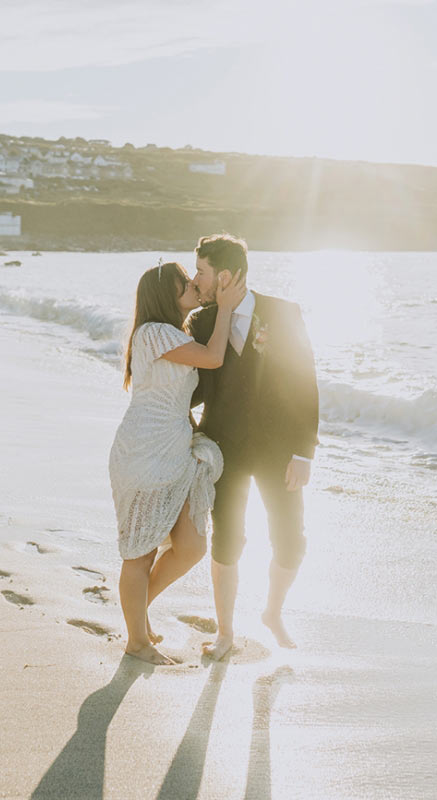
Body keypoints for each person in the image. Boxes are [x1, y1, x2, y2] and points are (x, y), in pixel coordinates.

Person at [186, 234, 319, 660]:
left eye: (202, 273)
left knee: (291, 540)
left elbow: (305, 382)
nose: (197, 280)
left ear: (225, 276)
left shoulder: (283, 313)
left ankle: (272, 611)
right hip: (223, 446)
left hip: (280, 450)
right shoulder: (202, 322)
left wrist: (304, 452)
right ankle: (225, 632)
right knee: (228, 538)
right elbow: (193, 390)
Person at [109, 260, 246, 665]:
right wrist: (224, 308)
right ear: (165, 294)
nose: (191, 284)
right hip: (144, 451)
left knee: (190, 546)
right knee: (140, 553)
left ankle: (137, 615)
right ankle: (137, 641)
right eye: (183, 281)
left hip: (171, 450)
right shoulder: (153, 333)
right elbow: (213, 357)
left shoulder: (171, 333)